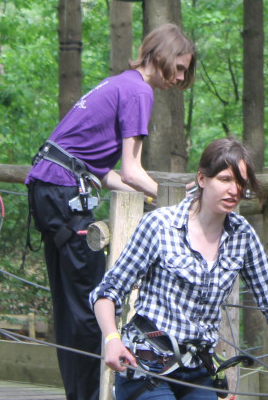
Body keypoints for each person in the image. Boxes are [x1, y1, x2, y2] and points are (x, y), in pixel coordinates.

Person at [26, 24, 197, 400]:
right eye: (179, 67)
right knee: (91, 300)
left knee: (70, 305)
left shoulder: (118, 83)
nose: (182, 77)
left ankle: (80, 394)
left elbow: (105, 173)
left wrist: (152, 196)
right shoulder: (139, 91)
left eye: (186, 70)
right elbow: (133, 171)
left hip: (48, 187)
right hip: (63, 192)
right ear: (160, 56)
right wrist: (176, 199)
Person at [93, 138, 268, 400]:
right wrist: (112, 339)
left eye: (240, 182)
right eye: (224, 179)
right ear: (202, 178)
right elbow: (107, 292)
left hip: (197, 370)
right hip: (146, 367)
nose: (234, 190)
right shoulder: (159, 225)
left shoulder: (242, 236)